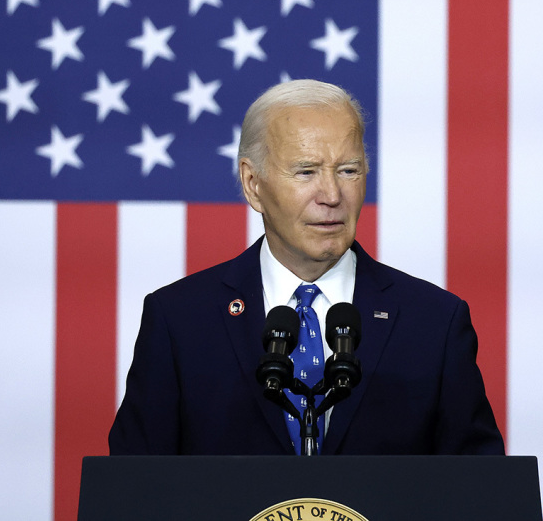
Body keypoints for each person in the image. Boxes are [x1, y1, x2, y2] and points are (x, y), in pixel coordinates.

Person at [109, 79, 505, 455]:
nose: (332, 195)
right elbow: (132, 491)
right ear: (253, 183)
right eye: (306, 172)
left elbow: (481, 493)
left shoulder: (433, 322)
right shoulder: (180, 320)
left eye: (348, 170)